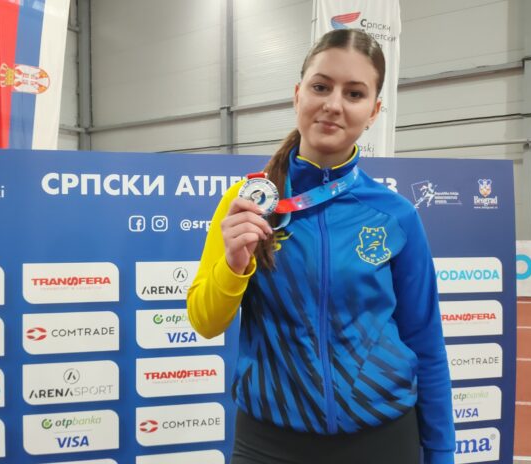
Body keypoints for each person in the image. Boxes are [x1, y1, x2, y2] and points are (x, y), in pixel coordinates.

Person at [187, 28, 454, 464]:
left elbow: (425, 341)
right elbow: (204, 321)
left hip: (383, 438)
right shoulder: (248, 202)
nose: (333, 104)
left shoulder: (396, 215)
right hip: (270, 443)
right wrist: (233, 266)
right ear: (298, 95)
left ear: (374, 111)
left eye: (354, 93)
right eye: (321, 87)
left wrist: (441, 451)